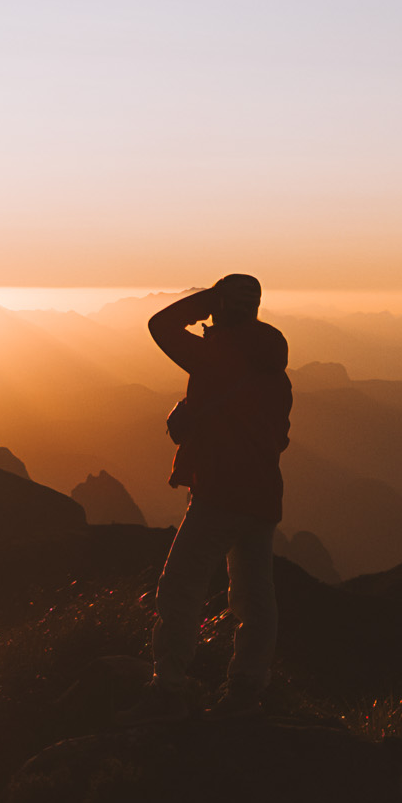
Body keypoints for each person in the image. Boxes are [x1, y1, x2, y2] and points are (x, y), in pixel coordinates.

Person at [138, 273, 292, 720]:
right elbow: (275, 437)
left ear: (221, 307)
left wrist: (201, 301)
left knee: (180, 589)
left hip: (219, 493)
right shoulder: (274, 370)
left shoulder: (215, 357)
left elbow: (159, 326)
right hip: (262, 497)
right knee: (254, 596)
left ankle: (168, 690)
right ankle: (246, 689)